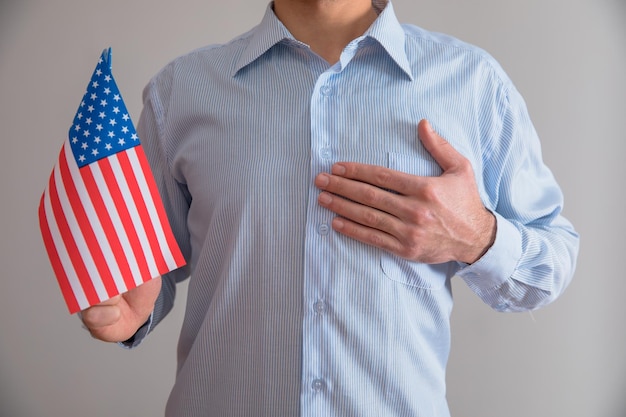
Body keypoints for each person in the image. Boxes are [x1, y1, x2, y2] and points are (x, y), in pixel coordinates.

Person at [80, 0, 579, 415]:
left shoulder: (472, 83)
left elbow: (551, 260)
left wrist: (476, 237)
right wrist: (128, 308)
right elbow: (147, 276)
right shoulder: (181, 91)